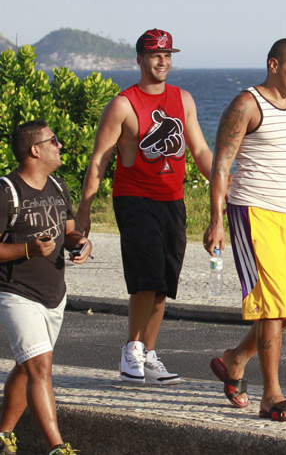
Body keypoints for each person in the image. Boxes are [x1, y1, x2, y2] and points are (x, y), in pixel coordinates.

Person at [77, 29, 213, 385]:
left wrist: (223, 184)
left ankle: (149, 354)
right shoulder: (123, 104)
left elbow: (199, 150)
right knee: (146, 277)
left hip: (173, 200)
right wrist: (84, 211)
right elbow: (99, 162)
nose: (162, 61)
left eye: (167, 55)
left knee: (165, 283)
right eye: (155, 55)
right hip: (134, 198)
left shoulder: (182, 99)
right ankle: (131, 350)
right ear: (139, 60)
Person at [203, 39, 286, 422]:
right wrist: (216, 219)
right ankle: (272, 395)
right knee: (272, 301)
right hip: (252, 212)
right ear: (273, 64)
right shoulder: (246, 105)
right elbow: (221, 166)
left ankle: (235, 359)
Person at [0, 120, 91, 455]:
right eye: (54, 140)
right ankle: (57, 447)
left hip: (54, 294)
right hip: (15, 293)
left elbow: (69, 231)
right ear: (35, 149)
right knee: (41, 366)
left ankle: (3, 433)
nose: (60, 146)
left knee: (27, 367)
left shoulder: (57, 185)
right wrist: (27, 249)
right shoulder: (6, 191)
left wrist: (80, 243)